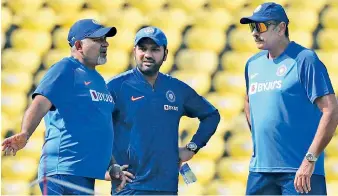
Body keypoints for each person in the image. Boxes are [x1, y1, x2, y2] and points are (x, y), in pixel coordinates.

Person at [1, 19, 127, 195]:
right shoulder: (66, 68)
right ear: (78, 45)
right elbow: (40, 103)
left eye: (105, 39)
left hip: (82, 174)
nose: (105, 44)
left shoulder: (99, 80)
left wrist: (112, 164)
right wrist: (25, 133)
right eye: (98, 40)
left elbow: (101, 128)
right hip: (63, 171)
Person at [106, 26, 221, 195]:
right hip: (129, 187)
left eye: (155, 49)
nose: (148, 55)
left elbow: (211, 115)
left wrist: (192, 147)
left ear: (165, 54)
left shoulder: (176, 88)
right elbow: (96, 128)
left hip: (166, 187)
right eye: (142, 49)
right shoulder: (116, 86)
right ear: (134, 51)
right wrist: (109, 166)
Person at [240, 2, 338, 195]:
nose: (254, 33)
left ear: (281, 28)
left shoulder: (304, 59)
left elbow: (331, 110)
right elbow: (248, 101)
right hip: (260, 171)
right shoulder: (252, 64)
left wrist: (310, 160)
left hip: (300, 172)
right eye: (252, 27)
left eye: (260, 26)